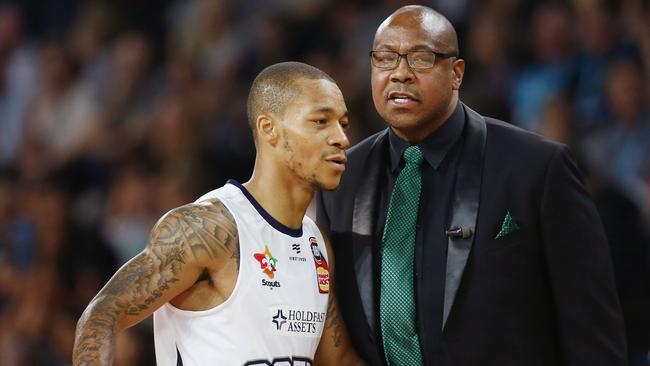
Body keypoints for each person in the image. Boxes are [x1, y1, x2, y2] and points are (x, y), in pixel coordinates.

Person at [316, 5, 627, 366]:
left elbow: (591, 331)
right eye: (385, 58)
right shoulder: (341, 179)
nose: (400, 73)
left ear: (456, 73)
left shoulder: (536, 169)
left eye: (420, 58)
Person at [73, 61, 364, 366]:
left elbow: (339, 360)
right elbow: (101, 315)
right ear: (269, 129)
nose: (341, 139)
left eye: (343, 124)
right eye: (321, 121)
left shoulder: (316, 245)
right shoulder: (209, 228)